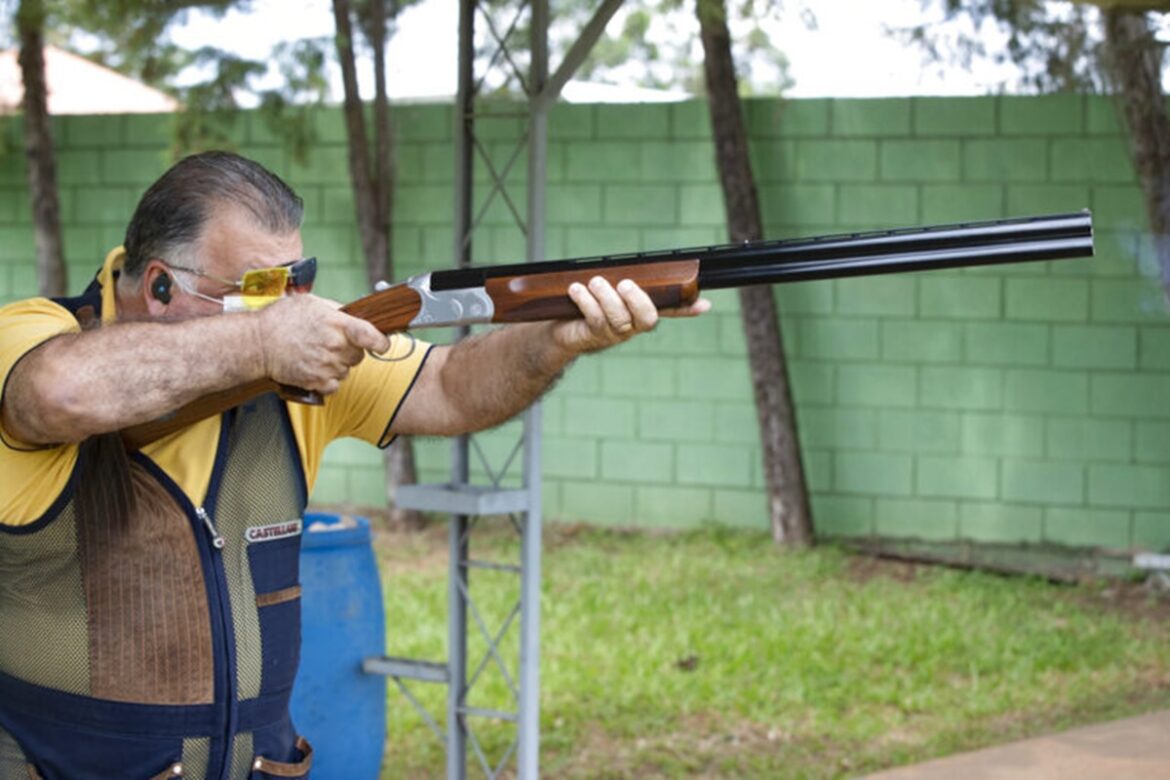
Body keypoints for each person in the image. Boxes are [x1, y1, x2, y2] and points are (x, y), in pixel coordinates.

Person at [0, 151, 708, 779]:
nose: (290, 308)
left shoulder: (296, 364)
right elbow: (57, 393)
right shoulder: (35, 335)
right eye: (260, 289)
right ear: (159, 287)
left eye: (296, 280)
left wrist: (557, 339)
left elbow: (453, 386)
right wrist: (263, 343)